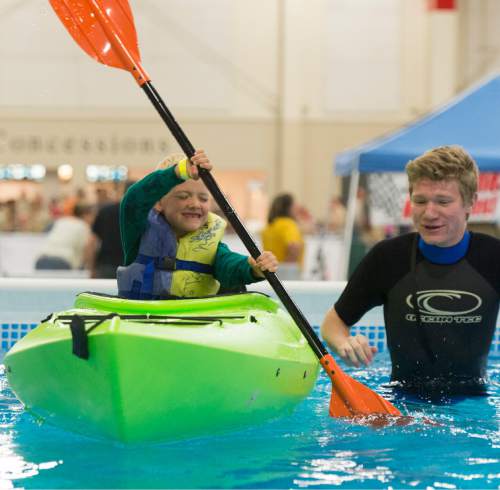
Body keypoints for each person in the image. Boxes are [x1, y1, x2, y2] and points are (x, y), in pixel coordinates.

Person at [321, 145, 499, 396]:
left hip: (473, 405)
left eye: (443, 201)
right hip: (403, 404)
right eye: (420, 200)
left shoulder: (493, 257)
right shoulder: (388, 258)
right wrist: (344, 343)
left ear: (471, 202)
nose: (429, 213)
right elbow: (332, 324)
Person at [117, 149, 278, 299]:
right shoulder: (139, 232)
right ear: (158, 202)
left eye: (203, 198)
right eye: (183, 196)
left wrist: (253, 268)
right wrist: (177, 172)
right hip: (144, 321)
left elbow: (229, 265)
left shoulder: (211, 244)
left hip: (193, 322)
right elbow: (134, 200)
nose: (195, 204)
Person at [88, 181, 135, 279]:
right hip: (131, 268)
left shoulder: (105, 211)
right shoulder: (143, 214)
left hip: (105, 266)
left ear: (122, 192)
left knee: (102, 294)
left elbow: (92, 242)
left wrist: (91, 269)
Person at [35, 202, 95, 270]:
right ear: (85, 215)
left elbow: (45, 231)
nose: (93, 219)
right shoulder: (84, 226)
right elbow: (87, 251)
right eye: (92, 215)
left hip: (41, 260)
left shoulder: (62, 221)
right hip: (62, 262)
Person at [262, 193, 304, 280]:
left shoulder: (269, 227)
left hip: (270, 270)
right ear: (288, 208)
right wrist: (287, 267)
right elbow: (294, 246)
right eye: (294, 206)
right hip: (288, 272)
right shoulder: (289, 224)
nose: (297, 209)